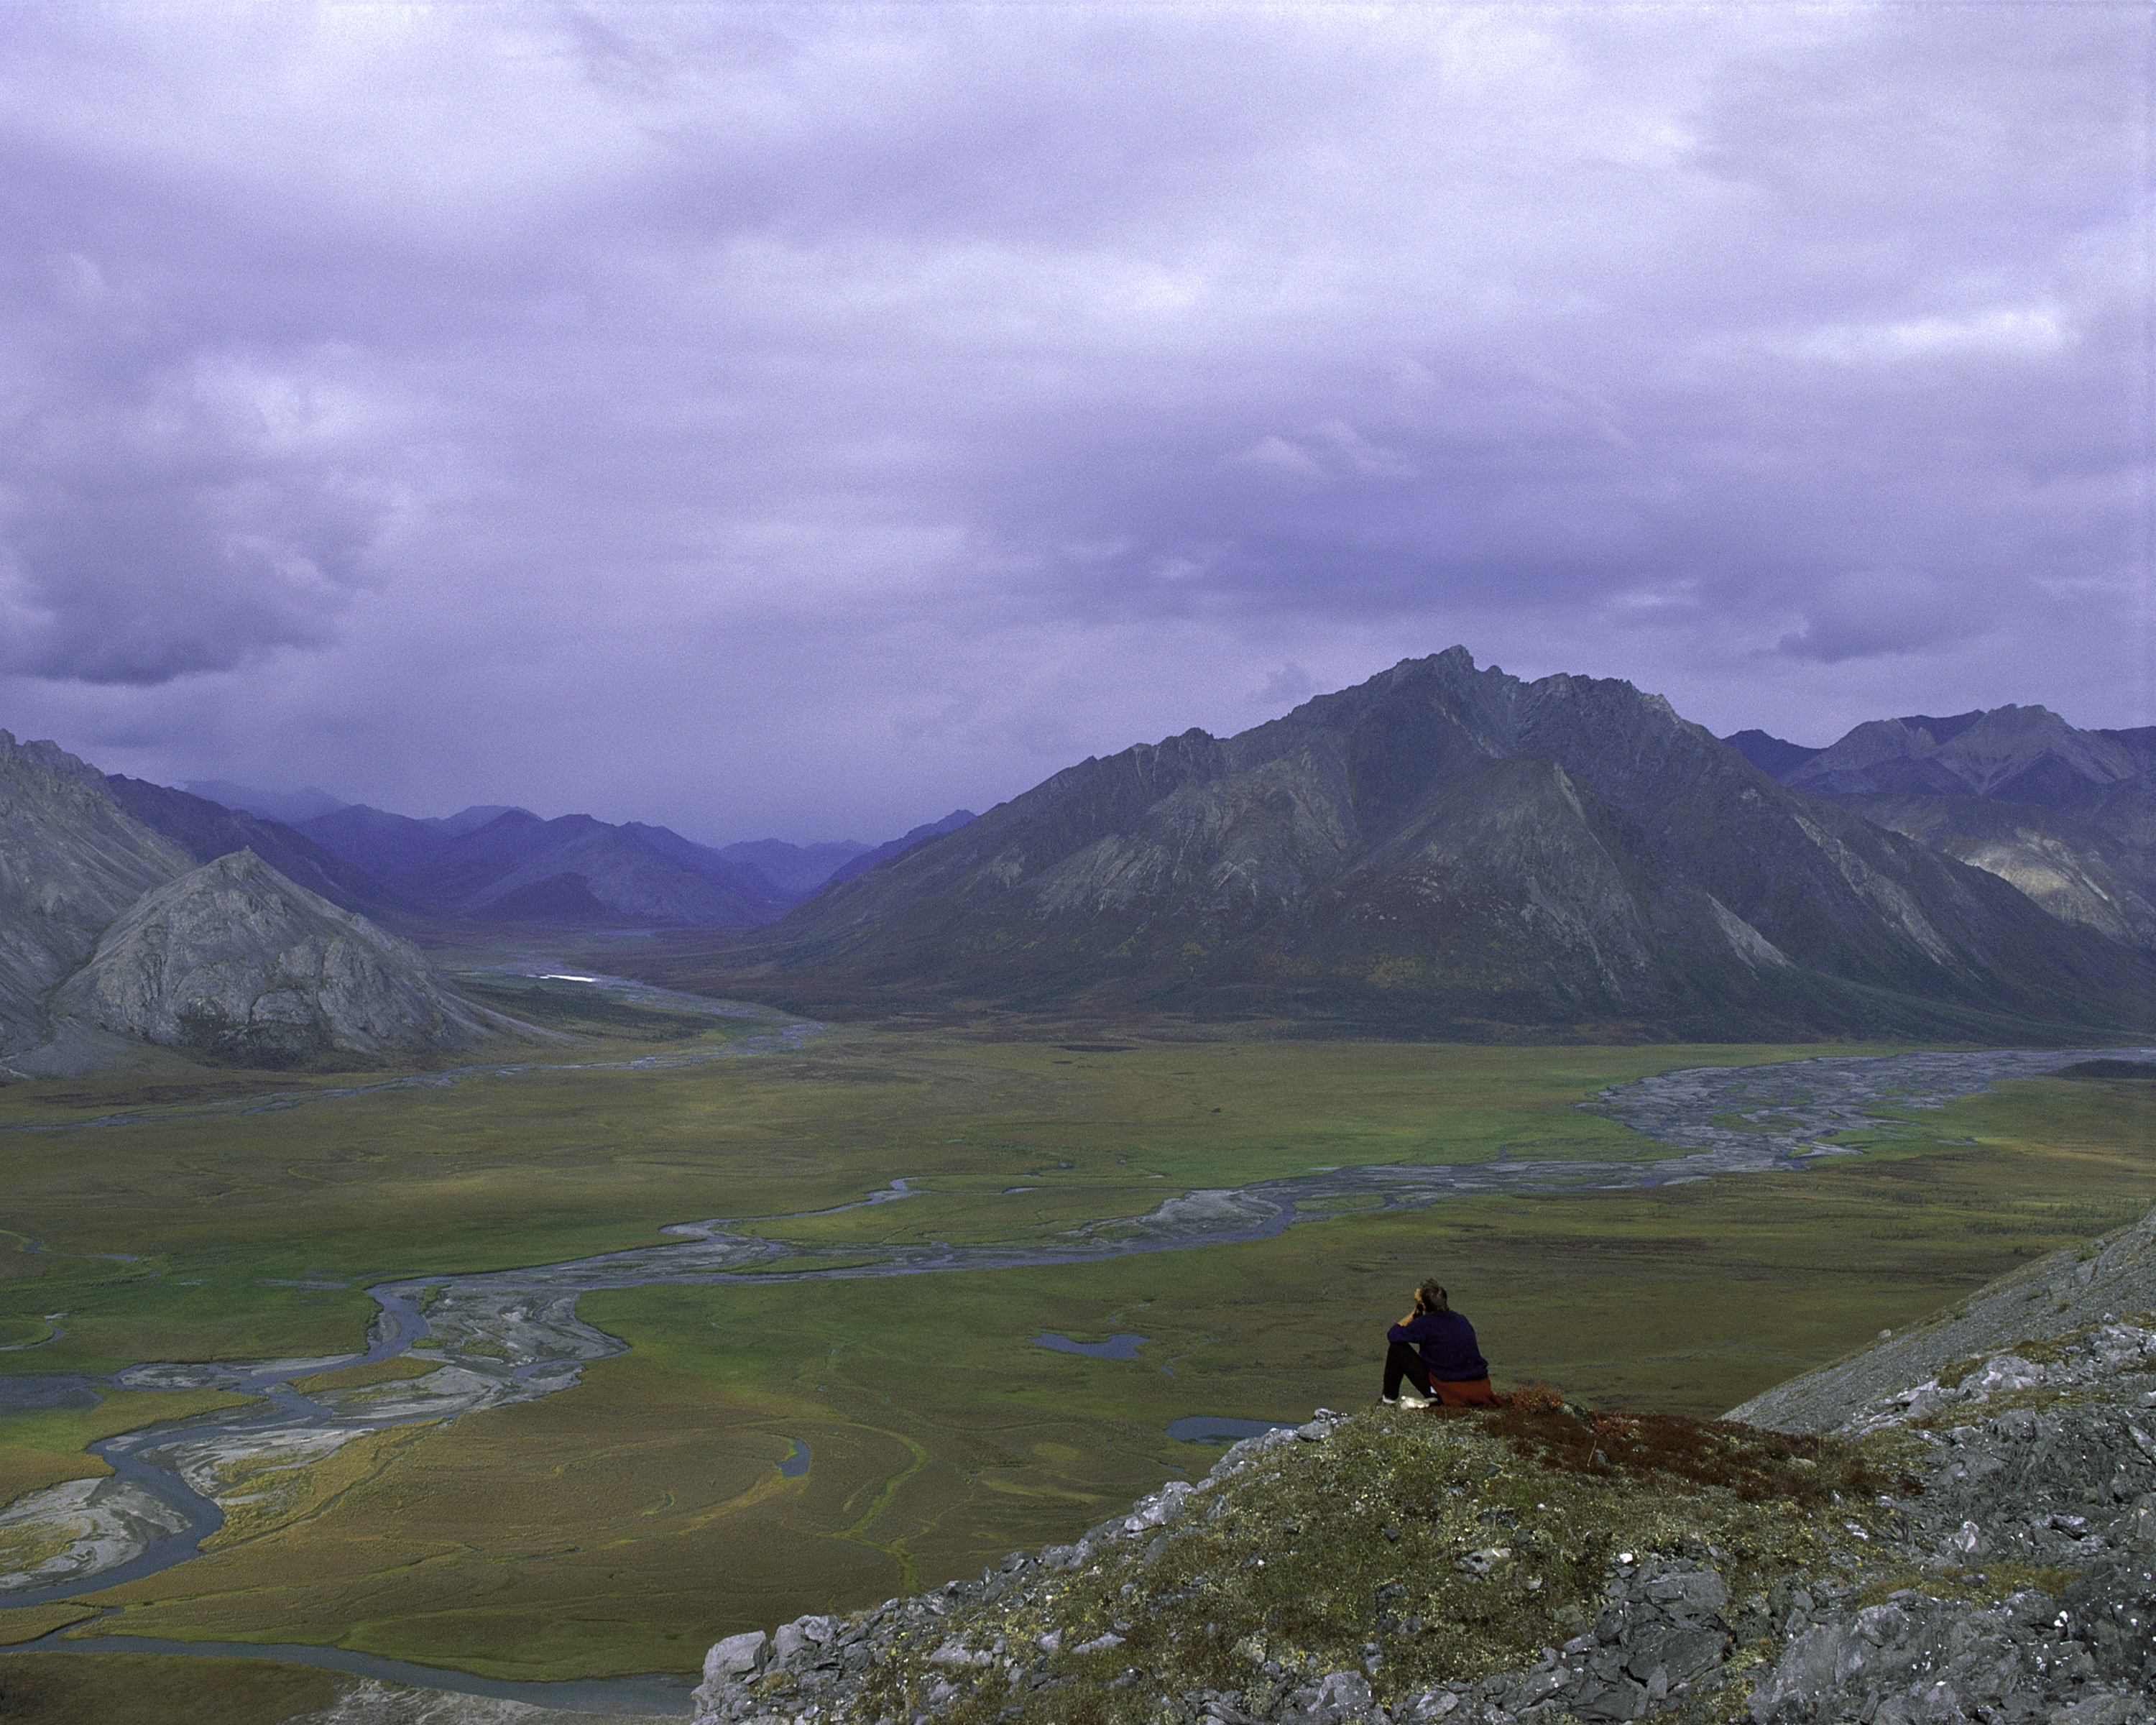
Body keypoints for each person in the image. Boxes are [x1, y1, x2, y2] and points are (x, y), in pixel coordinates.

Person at [1383, 1279, 1497, 1408]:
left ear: (1425, 1305)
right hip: (1478, 1387)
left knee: (1397, 1349)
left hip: (1449, 1390)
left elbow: (1393, 1334)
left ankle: (1388, 1402)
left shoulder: (1426, 1324)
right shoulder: (1462, 1320)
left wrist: (1417, 1310)